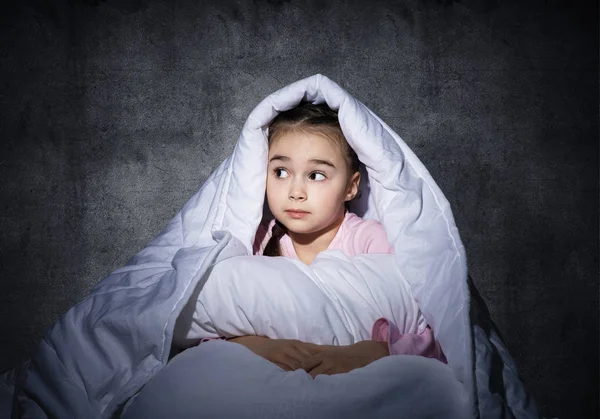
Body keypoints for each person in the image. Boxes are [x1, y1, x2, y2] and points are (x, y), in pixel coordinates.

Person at [200, 102, 446, 378]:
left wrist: (376, 351)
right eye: (281, 172)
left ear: (351, 187)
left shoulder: (372, 242)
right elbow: (211, 320)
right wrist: (254, 346)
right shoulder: (255, 243)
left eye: (316, 175)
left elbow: (434, 335)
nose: (296, 192)